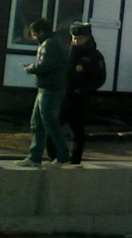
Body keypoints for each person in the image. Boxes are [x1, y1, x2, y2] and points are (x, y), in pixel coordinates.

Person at [47, 22, 106, 165]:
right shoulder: (67, 53)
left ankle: (75, 159)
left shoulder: (95, 56)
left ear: (87, 38)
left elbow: (100, 78)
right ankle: (54, 156)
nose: (76, 41)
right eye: (74, 38)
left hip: (79, 98)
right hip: (62, 96)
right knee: (53, 126)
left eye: (79, 39)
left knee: (78, 130)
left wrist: (84, 90)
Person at [15, 18, 71, 167]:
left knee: (49, 123)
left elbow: (45, 65)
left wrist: (30, 68)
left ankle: (62, 156)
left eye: (34, 34)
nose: (34, 38)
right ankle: (35, 157)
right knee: (37, 123)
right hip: (48, 88)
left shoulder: (50, 44)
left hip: (50, 89)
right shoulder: (56, 42)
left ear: (41, 32)